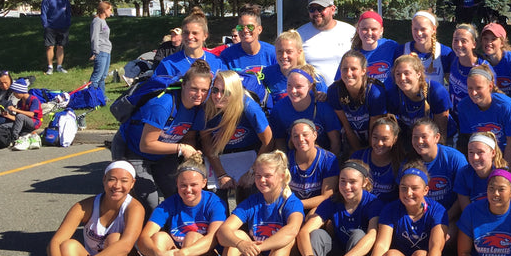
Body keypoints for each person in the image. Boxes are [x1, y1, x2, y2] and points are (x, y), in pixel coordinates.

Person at [213, 151, 305, 256]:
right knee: (236, 235)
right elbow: (223, 232)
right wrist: (241, 244)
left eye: (268, 176)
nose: (262, 180)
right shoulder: (252, 202)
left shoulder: (291, 202)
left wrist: (257, 248)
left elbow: (292, 230)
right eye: (258, 175)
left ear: (282, 176)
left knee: (286, 240)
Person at [112, 60, 211, 210]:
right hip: (134, 149)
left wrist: (191, 154)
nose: (199, 94)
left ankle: (172, 229)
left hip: (164, 153)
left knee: (177, 194)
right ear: (183, 85)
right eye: (194, 89)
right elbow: (146, 144)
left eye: (204, 90)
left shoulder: (198, 108)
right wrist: (182, 148)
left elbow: (189, 135)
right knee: (148, 201)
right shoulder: (163, 105)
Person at [293, 160, 382, 256]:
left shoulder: (373, 202)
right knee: (317, 234)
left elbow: (372, 236)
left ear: (364, 182)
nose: (347, 187)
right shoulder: (333, 201)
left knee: (359, 234)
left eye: (353, 182)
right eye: (343, 181)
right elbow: (304, 232)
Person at [200, 70, 273, 201]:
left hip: (249, 152)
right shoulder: (208, 108)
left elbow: (268, 141)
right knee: (214, 195)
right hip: (221, 154)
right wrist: (221, 174)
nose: (218, 96)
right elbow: (206, 143)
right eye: (215, 90)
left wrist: (252, 171)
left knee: (252, 191)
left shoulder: (250, 108)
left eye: (225, 92)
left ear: (235, 93)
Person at [455, 65, 511, 176]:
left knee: (507, 180)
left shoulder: (506, 106)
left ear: (490, 86)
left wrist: (504, 171)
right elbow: (469, 137)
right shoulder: (464, 106)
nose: (473, 93)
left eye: (478, 88)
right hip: (487, 147)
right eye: (470, 88)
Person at [269, 65, 340, 155]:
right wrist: (286, 164)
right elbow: (280, 141)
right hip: (294, 158)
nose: (293, 91)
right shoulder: (279, 109)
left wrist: (329, 164)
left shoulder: (323, 106)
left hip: (323, 156)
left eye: (298, 86)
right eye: (289, 85)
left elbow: (335, 142)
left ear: (310, 87)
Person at [409, 118, 469, 219]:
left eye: (424, 137)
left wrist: (444, 219)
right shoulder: (409, 162)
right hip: (421, 217)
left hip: (450, 216)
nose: (419, 141)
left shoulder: (455, 158)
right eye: (415, 137)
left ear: (436, 137)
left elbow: (463, 195)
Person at [329, 50, 386, 155]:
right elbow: (347, 126)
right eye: (344, 69)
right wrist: (358, 153)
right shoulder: (334, 91)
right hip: (351, 137)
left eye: (354, 69)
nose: (348, 73)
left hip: (373, 136)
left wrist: (368, 154)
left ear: (363, 71)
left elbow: (374, 128)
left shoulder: (374, 92)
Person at [386, 54, 451, 143]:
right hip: (414, 138)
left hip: (443, 137)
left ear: (418, 74)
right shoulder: (393, 94)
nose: (402, 78)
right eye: (398, 74)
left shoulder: (436, 92)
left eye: (407, 73)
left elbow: (442, 131)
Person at [297, 0, 356, 85]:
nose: (316, 13)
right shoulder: (299, 34)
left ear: (333, 9)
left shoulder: (350, 32)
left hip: (345, 92)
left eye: (320, 8)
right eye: (312, 9)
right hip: (313, 94)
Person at [154, 8, 226, 77]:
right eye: (186, 32)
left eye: (195, 33)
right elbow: (153, 88)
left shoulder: (217, 63)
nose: (190, 37)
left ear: (205, 36)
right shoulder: (168, 64)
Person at [286, 118, 340, 211]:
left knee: (313, 214)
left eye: (305, 135)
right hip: (291, 209)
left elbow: (326, 196)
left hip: (317, 208)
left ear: (315, 135)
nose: (301, 139)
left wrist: (296, 204)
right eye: (295, 136)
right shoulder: (286, 159)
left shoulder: (329, 159)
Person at [446, 23, 486, 145]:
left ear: (474, 44)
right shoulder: (453, 58)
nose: (459, 45)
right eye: (455, 40)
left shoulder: (483, 68)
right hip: (453, 119)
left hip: (474, 123)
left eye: (464, 41)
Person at [263, 30, 328, 104]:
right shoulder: (267, 74)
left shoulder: (314, 77)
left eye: (289, 52)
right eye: (279, 51)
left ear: (299, 52)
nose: (284, 56)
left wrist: (324, 96)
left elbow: (326, 103)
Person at [351, 116, 401, 202]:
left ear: (395, 139)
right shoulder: (358, 157)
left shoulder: (400, 163)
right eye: (375, 137)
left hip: (387, 211)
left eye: (385, 139)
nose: (379, 143)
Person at [478, 22, 511, 97]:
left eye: (493, 39)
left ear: (502, 43)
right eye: (485, 39)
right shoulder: (480, 62)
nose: (488, 43)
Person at [220, 4, 277, 70]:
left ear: (259, 29)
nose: (245, 30)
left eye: (250, 27)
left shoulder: (273, 53)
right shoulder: (227, 55)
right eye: (240, 27)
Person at [401, 10, 452, 83]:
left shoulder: (444, 53)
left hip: (433, 94)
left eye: (423, 29)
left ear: (433, 29)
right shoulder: (402, 50)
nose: (419, 33)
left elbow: (452, 84)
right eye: (415, 29)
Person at [352, 10, 398, 83]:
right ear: (358, 29)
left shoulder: (391, 46)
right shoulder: (352, 56)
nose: (369, 33)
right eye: (364, 29)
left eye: (374, 29)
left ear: (381, 31)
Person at [1, 79, 42, 148]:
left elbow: (31, 114)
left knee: (20, 116)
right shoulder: (19, 102)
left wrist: (16, 109)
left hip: (34, 122)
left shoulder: (33, 100)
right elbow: (17, 119)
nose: (14, 95)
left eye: (15, 93)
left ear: (21, 91)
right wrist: (8, 116)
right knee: (4, 126)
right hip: (23, 122)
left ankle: (15, 138)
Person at [42, 0, 72, 74]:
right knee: (50, 46)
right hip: (50, 27)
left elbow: (68, 13)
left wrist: (67, 23)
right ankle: (50, 66)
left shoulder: (65, 1)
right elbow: (44, 13)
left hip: (63, 27)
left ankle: (59, 66)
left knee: (61, 47)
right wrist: (45, 24)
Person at [88, 1, 113, 92]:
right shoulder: (97, 21)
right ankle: (91, 97)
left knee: (103, 76)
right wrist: (95, 51)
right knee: (97, 76)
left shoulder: (103, 21)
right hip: (100, 51)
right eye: (110, 9)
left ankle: (102, 97)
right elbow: (94, 37)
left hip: (106, 51)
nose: (111, 12)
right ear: (104, 10)